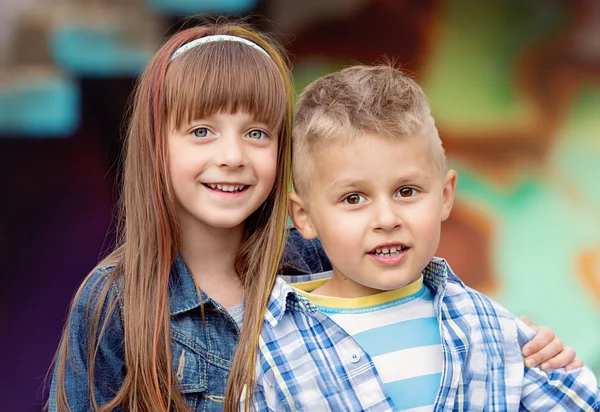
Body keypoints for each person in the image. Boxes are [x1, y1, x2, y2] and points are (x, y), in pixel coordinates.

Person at [46, 21, 581, 412]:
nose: (232, 156)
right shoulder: (116, 299)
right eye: (201, 131)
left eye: (257, 133)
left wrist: (522, 349)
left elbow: (429, 327)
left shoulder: (325, 257)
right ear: (155, 148)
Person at [249, 64, 600, 411]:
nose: (387, 219)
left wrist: (558, 366)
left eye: (406, 191)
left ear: (445, 196)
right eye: (353, 198)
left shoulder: (490, 328)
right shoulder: (269, 347)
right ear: (304, 217)